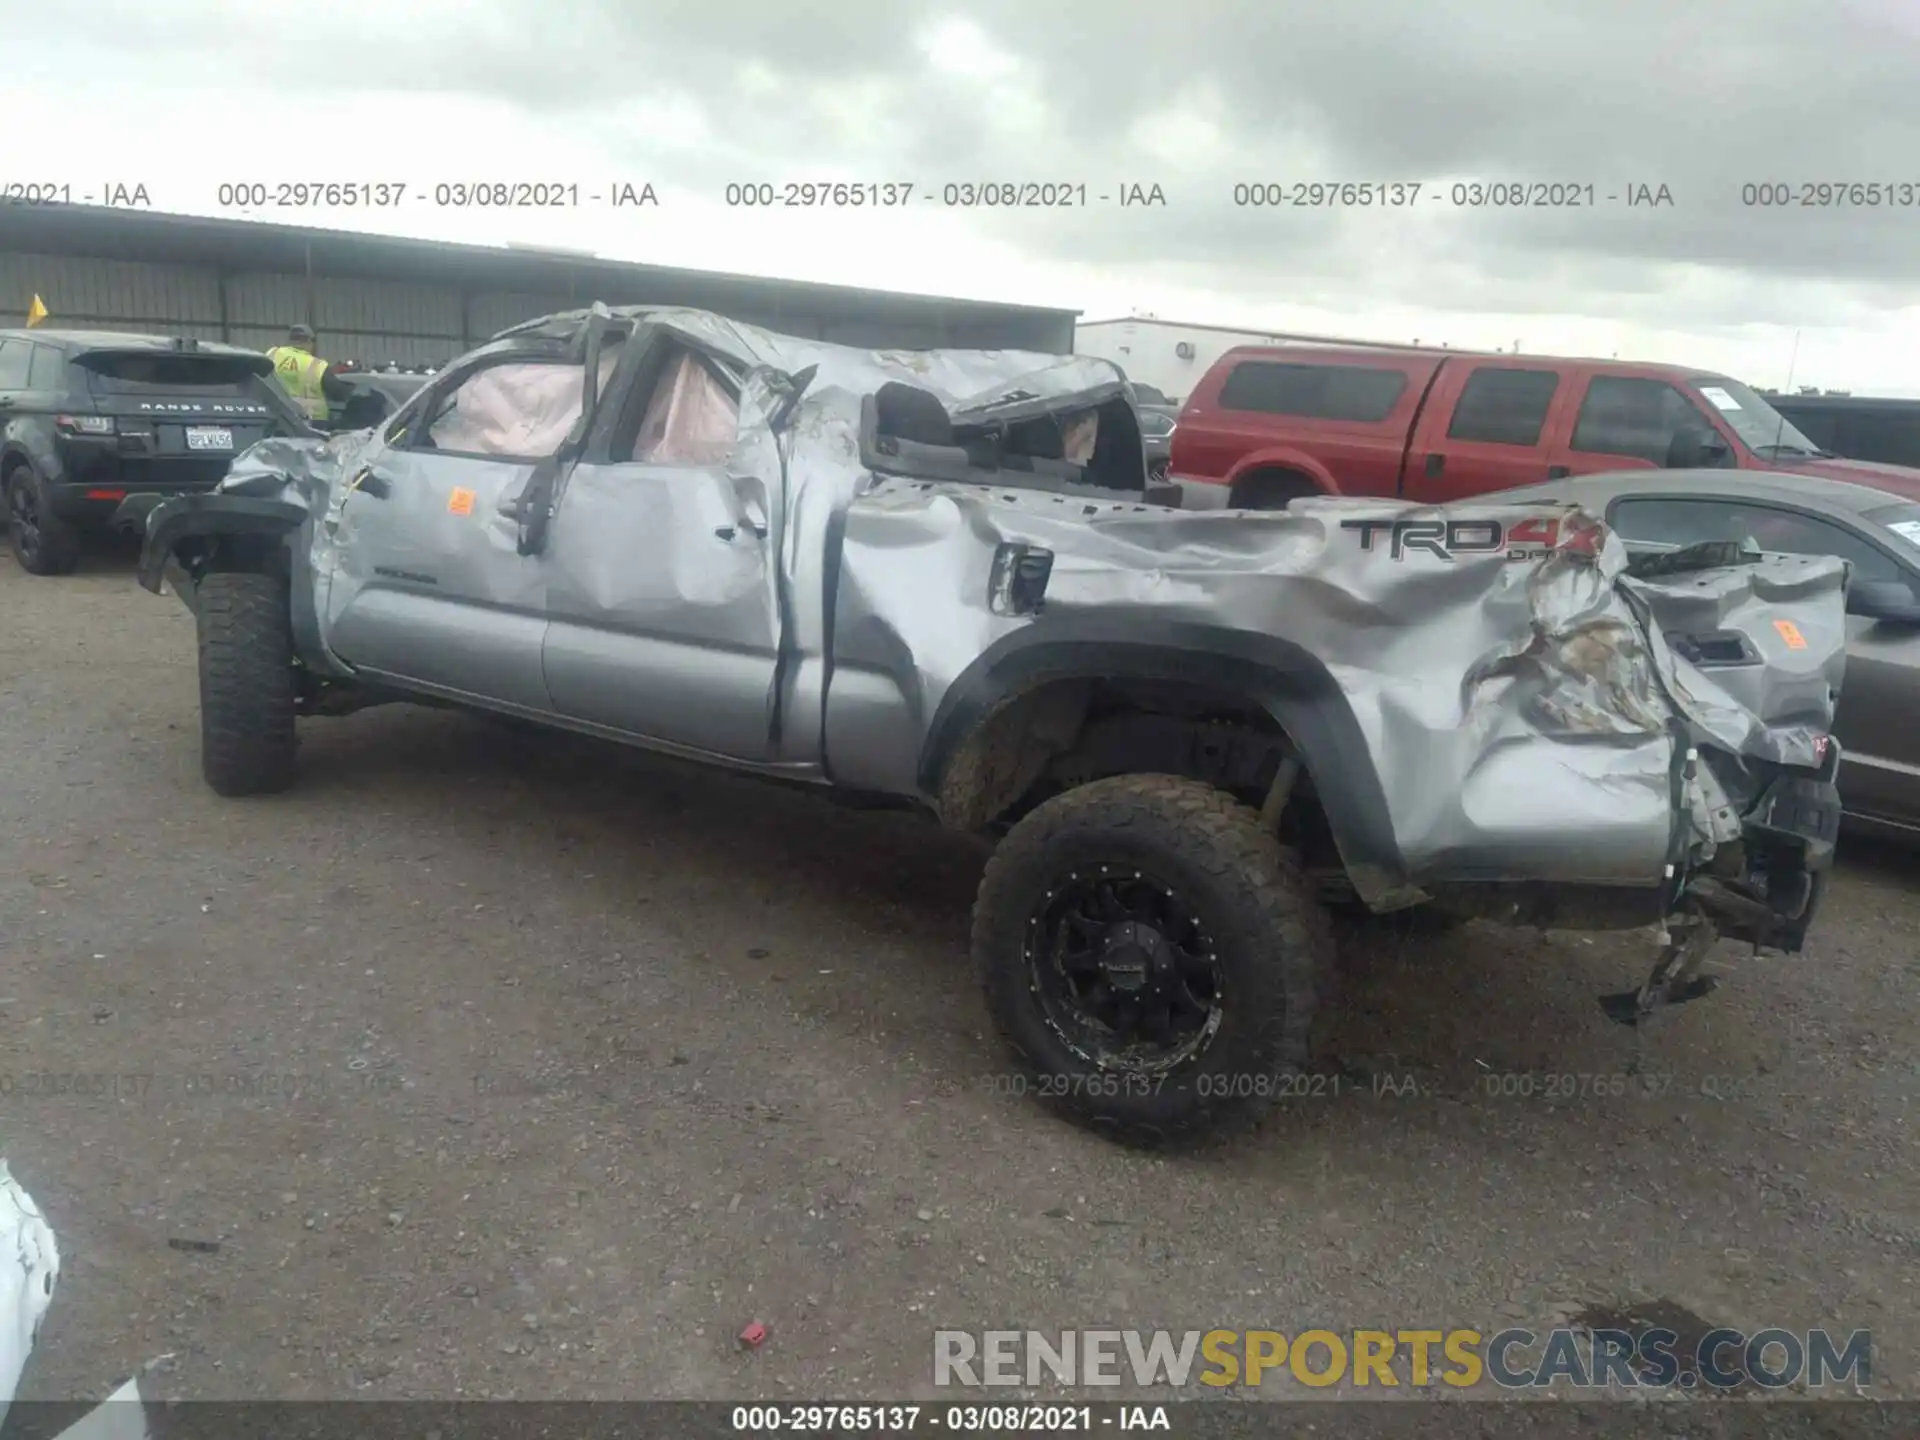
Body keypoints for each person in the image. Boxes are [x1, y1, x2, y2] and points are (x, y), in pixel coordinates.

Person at [264, 324, 355, 424]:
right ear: (309, 342)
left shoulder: (272, 354)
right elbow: (338, 392)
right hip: (310, 424)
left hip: (273, 419)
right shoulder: (316, 365)